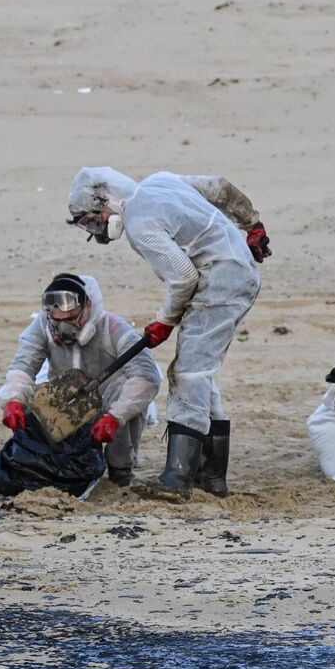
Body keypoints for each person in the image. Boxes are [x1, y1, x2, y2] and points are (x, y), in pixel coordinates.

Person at [66, 167, 267, 496]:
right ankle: (211, 476)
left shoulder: (138, 225)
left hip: (220, 281)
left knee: (188, 373)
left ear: (104, 202)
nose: (96, 229)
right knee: (199, 372)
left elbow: (184, 276)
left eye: (91, 220)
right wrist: (253, 225)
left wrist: (165, 320)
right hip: (236, 272)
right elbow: (218, 187)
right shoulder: (161, 182)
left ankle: (177, 479)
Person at [0, 274, 162, 485]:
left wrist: (115, 416)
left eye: (70, 316)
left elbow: (147, 376)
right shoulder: (41, 326)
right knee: (27, 403)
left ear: (87, 306)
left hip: (108, 399)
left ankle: (120, 470)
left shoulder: (113, 328)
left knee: (123, 394)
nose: (62, 326)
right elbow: (22, 367)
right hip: (66, 398)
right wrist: (13, 400)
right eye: (57, 319)